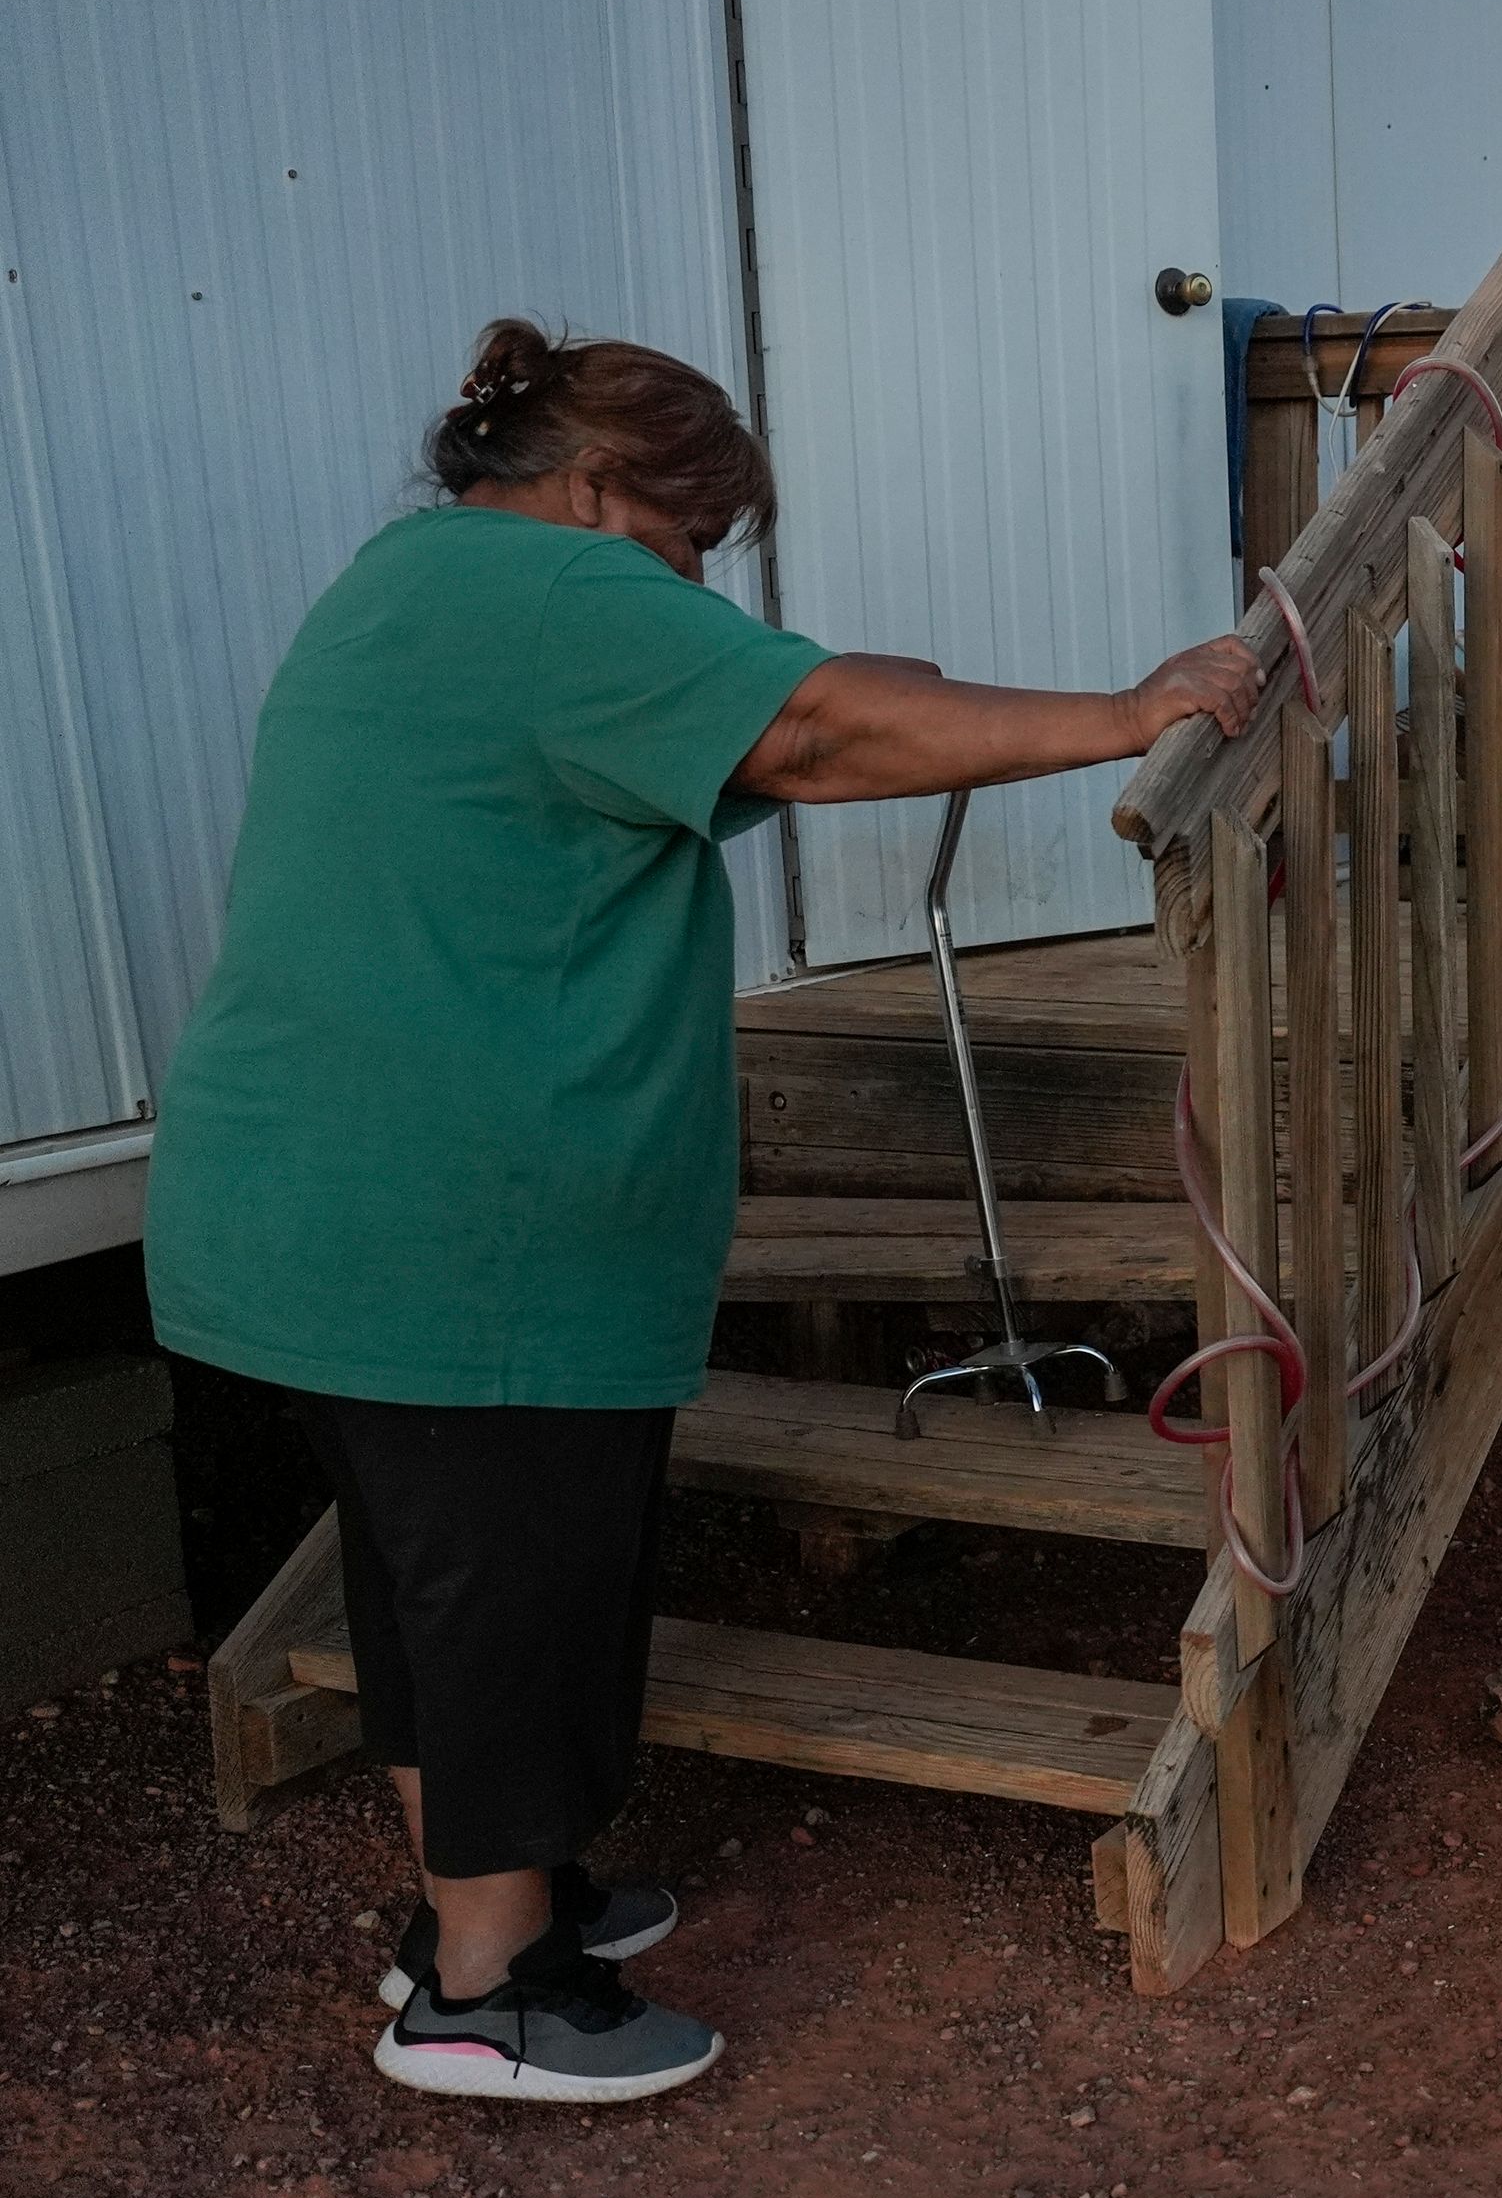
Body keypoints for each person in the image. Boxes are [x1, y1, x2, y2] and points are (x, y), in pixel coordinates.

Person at [143, 320, 1263, 2102]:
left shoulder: (419, 588)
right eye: (686, 550)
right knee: (508, 1585)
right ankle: (485, 1995)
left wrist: (884, 693)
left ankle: (490, 1909)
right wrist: (1130, 714)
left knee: (443, 1590)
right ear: (595, 489)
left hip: (317, 1208)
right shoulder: (552, 597)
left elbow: (790, 700)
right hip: (453, 1228)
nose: (696, 597)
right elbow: (812, 725)